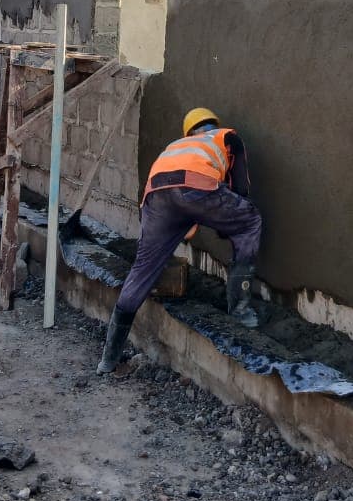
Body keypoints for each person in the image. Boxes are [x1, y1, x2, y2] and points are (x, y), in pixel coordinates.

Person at [96, 107, 263, 375]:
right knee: (251, 220)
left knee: (142, 270)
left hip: (156, 197)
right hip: (197, 187)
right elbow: (240, 190)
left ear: (189, 132)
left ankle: (108, 358)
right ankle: (241, 310)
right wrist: (229, 225)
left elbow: (178, 211)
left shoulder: (175, 146)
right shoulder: (227, 137)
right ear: (212, 125)